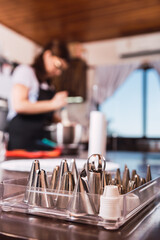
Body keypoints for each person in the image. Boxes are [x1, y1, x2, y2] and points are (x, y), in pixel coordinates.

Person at [7, 40, 70, 151]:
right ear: (47, 55)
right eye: (58, 65)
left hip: (39, 139)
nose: (58, 72)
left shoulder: (49, 85)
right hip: (21, 140)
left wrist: (63, 123)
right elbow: (19, 105)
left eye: (62, 70)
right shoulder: (25, 72)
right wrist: (52, 104)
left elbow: (45, 114)